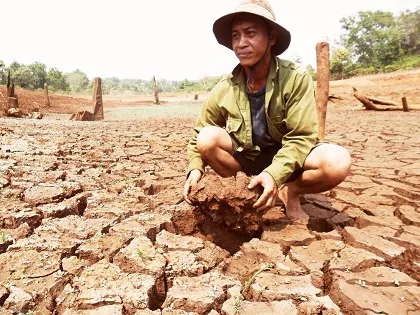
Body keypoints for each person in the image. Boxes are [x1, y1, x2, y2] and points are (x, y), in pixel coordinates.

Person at [183, 0, 351, 223]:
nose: (241, 43)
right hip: (249, 161)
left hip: (290, 161)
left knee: (337, 161)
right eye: (235, 36)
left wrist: (274, 173)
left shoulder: (295, 78)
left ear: (271, 38)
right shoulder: (225, 87)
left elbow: (301, 138)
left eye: (250, 33)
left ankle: (289, 191)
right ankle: (246, 191)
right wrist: (196, 169)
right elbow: (198, 133)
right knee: (207, 139)